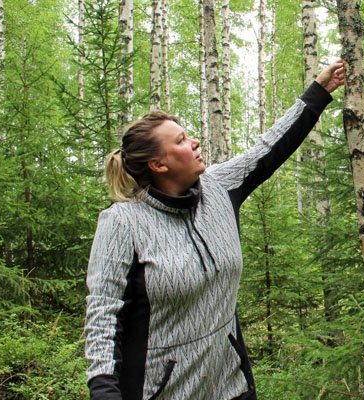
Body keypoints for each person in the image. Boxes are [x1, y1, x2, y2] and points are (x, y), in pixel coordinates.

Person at [84, 60, 345, 400]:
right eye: (180, 140)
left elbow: (267, 149)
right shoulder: (122, 222)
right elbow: (102, 316)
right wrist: (104, 392)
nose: (193, 142)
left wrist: (319, 92)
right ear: (159, 164)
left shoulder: (220, 188)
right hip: (162, 392)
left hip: (231, 387)